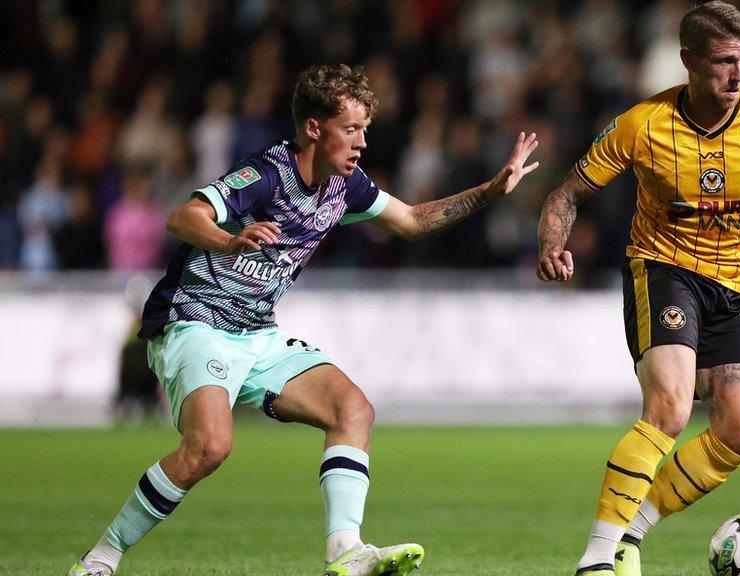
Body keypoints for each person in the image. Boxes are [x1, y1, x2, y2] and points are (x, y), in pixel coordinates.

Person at [69, 63, 540, 576]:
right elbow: (182, 217)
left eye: (365, 130)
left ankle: (345, 551)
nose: (361, 143)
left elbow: (411, 220)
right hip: (195, 320)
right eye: (351, 129)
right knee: (209, 447)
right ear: (314, 127)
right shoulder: (266, 174)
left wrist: (491, 192)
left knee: (353, 410)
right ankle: (102, 557)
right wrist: (232, 239)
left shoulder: (346, 186)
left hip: (258, 332)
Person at [535, 2, 740, 575]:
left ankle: (630, 535)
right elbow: (566, 193)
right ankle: (596, 559)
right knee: (669, 409)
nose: (738, 75)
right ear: (689, 61)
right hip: (663, 270)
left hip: (736, 285)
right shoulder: (642, 124)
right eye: (724, 62)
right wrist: (552, 243)